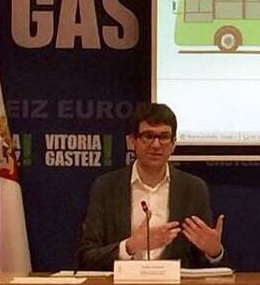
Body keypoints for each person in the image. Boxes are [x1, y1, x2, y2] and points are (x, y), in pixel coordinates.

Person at [77, 103, 225, 270]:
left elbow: (203, 262)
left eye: (164, 137)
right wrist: (130, 246)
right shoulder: (106, 187)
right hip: (123, 282)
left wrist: (214, 252)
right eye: (148, 136)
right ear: (132, 141)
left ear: (173, 144)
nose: (156, 145)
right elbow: (87, 257)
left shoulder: (193, 188)